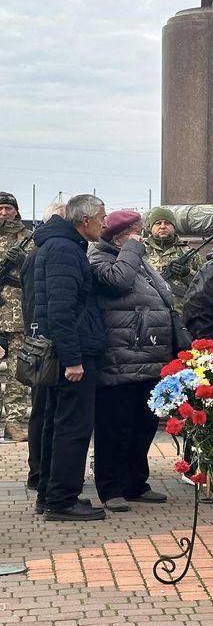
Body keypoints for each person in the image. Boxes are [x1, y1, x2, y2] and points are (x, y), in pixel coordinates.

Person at [88, 210, 172, 511]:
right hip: (119, 358)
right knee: (115, 427)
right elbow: (118, 283)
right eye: (136, 231)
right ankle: (110, 488)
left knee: (143, 425)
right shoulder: (100, 258)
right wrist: (132, 249)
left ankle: (136, 482)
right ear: (118, 235)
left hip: (149, 356)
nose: (141, 237)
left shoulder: (137, 258)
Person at [33, 194, 108, 521]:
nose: (105, 224)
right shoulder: (65, 250)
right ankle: (62, 500)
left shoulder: (62, 245)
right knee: (72, 427)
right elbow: (60, 311)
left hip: (65, 350)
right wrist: (73, 358)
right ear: (86, 219)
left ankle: (49, 495)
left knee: (55, 423)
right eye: (102, 217)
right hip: (71, 354)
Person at [22, 201, 65, 490]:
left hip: (43, 342)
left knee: (47, 409)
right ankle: (39, 472)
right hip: (45, 348)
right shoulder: (44, 253)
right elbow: (35, 303)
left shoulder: (41, 251)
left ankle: (42, 471)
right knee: (43, 409)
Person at [0, 191, 33, 443]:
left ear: (16, 211)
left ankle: (13, 422)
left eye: (8, 209)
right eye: (0, 209)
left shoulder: (28, 238)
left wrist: (22, 260)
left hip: (17, 316)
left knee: (17, 374)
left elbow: (37, 269)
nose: (4, 213)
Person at [142, 207, 203, 308]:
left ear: (174, 226)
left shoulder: (189, 253)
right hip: (150, 312)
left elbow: (205, 284)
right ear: (151, 227)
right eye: (158, 223)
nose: (163, 227)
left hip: (181, 313)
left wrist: (188, 274)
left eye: (167, 223)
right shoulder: (140, 251)